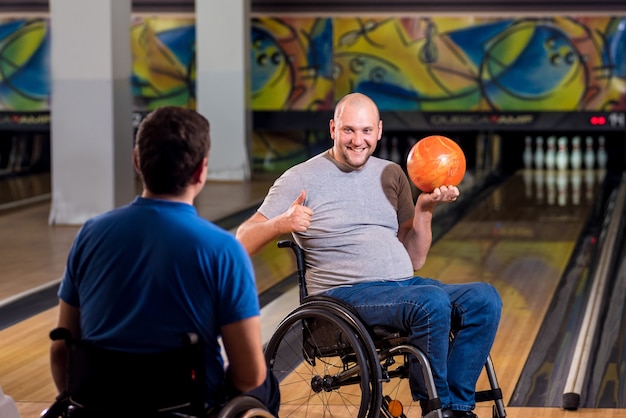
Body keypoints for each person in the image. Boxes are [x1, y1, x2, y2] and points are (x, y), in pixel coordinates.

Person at [236, 92, 502, 418]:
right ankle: (436, 407)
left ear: (379, 131)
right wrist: (282, 222)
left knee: (484, 299)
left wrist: (424, 209)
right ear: (333, 129)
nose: (357, 140)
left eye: (365, 131)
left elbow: (415, 259)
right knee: (431, 302)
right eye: (348, 130)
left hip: (403, 289)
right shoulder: (300, 178)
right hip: (343, 298)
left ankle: (458, 408)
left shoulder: (392, 174)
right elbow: (243, 238)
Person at [49, 106, 279, 416]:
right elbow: (248, 375)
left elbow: (61, 350)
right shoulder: (223, 250)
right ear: (201, 171)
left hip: (98, 404)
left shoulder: (90, 235)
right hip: (188, 405)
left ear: (136, 161)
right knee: (266, 383)